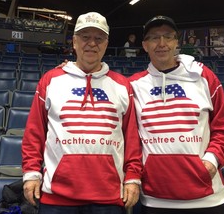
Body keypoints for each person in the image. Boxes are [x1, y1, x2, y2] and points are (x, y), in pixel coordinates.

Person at [21, 12, 142, 214]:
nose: (92, 43)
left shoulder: (122, 85)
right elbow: (35, 132)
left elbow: (131, 138)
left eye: (98, 38)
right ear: (74, 42)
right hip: (56, 196)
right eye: (85, 37)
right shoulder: (50, 80)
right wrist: (31, 173)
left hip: (109, 196)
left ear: (106, 43)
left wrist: (132, 178)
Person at [129, 15, 224, 214]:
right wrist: (69, 69)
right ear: (144, 45)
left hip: (209, 200)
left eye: (168, 37)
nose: (162, 43)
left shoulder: (204, 77)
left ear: (176, 42)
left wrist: (211, 161)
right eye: (154, 38)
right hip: (154, 201)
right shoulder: (133, 85)